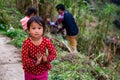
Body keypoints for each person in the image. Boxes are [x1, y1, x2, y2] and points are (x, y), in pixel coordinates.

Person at [22, 16, 56, 80]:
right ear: (28, 30)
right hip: (30, 70)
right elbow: (24, 58)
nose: (36, 31)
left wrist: (47, 59)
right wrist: (36, 62)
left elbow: (53, 54)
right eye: (33, 28)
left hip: (43, 70)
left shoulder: (46, 41)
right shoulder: (26, 43)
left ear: (43, 30)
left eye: (39, 28)